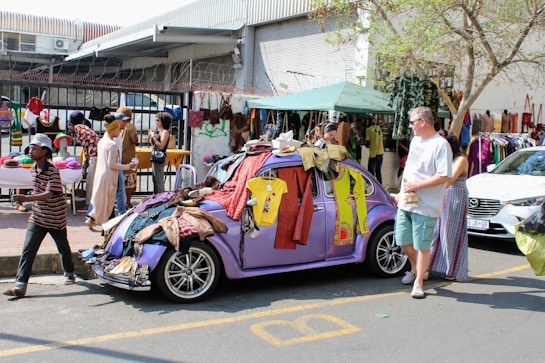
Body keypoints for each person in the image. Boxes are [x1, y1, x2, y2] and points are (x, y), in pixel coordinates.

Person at [4, 134, 76, 297]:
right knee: (28, 250)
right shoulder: (33, 169)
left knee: (63, 247)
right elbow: (38, 192)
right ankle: (20, 286)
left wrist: (26, 198)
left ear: (45, 151)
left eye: (35, 148)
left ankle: (69, 272)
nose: (31, 151)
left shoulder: (53, 171)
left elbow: (49, 193)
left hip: (55, 217)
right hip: (37, 216)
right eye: (30, 148)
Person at [395, 106, 452, 299]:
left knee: (422, 246)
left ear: (423, 122)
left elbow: (444, 175)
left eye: (412, 122)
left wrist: (418, 185)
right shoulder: (415, 141)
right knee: (402, 241)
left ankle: (419, 281)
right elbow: (410, 168)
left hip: (426, 205)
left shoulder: (441, 145)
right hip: (407, 200)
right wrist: (401, 192)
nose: (410, 126)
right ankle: (416, 268)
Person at [428, 130, 469, 281]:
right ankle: (431, 265)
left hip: (454, 196)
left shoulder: (460, 159)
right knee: (435, 231)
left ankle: (453, 269)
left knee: (450, 232)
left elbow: (449, 181)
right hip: (440, 194)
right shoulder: (443, 158)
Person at [85, 115, 137, 228]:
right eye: (118, 129)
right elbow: (112, 164)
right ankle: (105, 226)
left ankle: (93, 217)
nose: (120, 131)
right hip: (108, 177)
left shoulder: (102, 141)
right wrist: (129, 166)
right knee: (107, 204)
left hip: (101, 175)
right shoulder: (112, 145)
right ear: (113, 130)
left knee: (102, 202)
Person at [67, 111, 99, 209]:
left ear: (71, 124)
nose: (68, 128)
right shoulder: (84, 128)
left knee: (90, 181)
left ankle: (89, 205)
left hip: (96, 156)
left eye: (69, 125)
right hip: (98, 155)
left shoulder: (78, 129)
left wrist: (85, 167)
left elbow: (86, 150)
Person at [115, 107, 139, 208]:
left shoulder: (117, 127)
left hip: (119, 157)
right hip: (128, 157)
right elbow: (135, 140)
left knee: (120, 183)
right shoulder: (130, 126)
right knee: (129, 184)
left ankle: (119, 201)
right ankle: (127, 202)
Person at [148, 111, 172, 194]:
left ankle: (161, 197)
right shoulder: (160, 132)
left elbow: (161, 146)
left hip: (160, 157)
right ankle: (156, 196)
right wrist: (151, 137)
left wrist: (153, 137)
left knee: (159, 180)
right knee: (155, 179)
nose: (156, 122)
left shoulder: (165, 132)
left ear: (163, 122)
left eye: (158, 120)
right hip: (155, 156)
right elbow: (154, 144)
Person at [365, 117, 385, 184]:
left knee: (371, 173)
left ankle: (371, 188)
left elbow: (367, 144)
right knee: (378, 172)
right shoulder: (379, 128)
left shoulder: (368, 130)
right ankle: (380, 187)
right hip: (381, 153)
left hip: (373, 154)